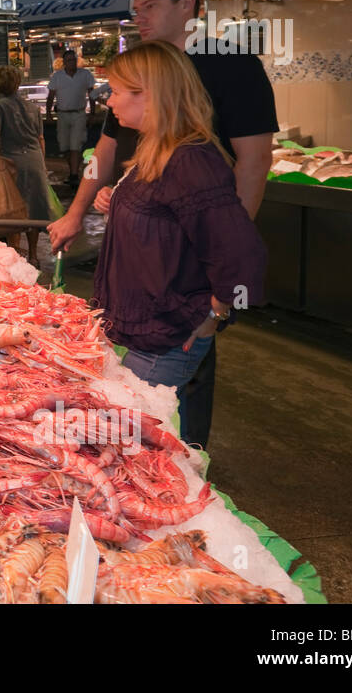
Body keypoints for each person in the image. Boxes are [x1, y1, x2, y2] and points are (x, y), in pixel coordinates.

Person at [49, 0, 278, 446]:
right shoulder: (142, 90)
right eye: (136, 9)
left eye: (150, 6)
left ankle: (189, 461)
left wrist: (215, 288)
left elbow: (254, 163)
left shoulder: (231, 69)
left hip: (181, 294)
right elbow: (104, 153)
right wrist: (85, 208)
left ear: (187, 4)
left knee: (171, 417)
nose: (140, 17)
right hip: (145, 300)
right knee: (140, 414)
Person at [92, 41, 267, 448]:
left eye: (116, 91)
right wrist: (116, 203)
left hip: (166, 337)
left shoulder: (190, 161)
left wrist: (216, 313)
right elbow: (163, 221)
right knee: (148, 439)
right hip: (139, 329)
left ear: (149, 94)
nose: (109, 101)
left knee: (133, 445)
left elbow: (242, 253)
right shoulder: (155, 149)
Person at [0, 64, 50, 265]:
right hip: (34, 161)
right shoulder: (32, 107)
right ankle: (33, 255)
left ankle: (13, 256)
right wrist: (43, 164)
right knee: (34, 210)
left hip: (11, 164)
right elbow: (41, 138)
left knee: (12, 211)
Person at [45, 50, 97, 185]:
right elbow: (50, 96)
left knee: (75, 145)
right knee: (65, 147)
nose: (72, 63)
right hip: (62, 114)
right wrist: (49, 113)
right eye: (69, 60)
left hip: (79, 114)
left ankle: (74, 175)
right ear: (64, 63)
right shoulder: (57, 76)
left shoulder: (85, 74)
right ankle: (73, 171)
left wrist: (92, 113)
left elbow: (92, 94)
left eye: (73, 60)